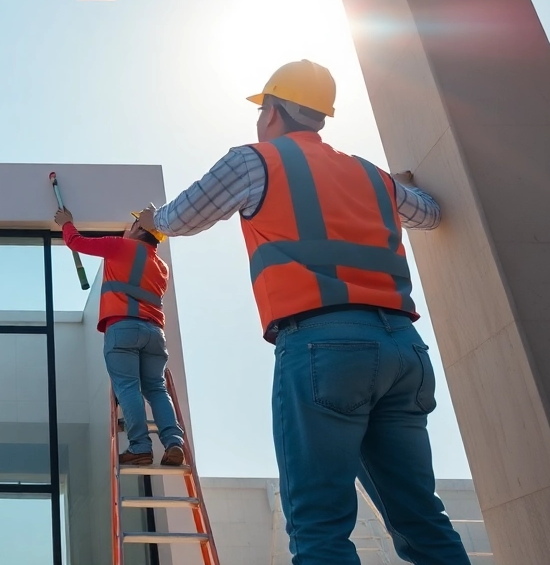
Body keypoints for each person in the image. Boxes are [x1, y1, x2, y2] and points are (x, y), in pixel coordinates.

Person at [137, 59, 469, 565]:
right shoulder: (370, 174)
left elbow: (183, 217)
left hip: (323, 345)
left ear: (272, 112)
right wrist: (395, 185)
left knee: (319, 526)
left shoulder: (255, 160)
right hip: (404, 349)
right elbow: (430, 211)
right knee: (422, 518)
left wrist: (150, 221)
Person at [54, 208, 186, 467]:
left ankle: (140, 447)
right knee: (157, 389)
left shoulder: (120, 247)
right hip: (154, 333)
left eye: (135, 222)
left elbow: (76, 242)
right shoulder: (161, 267)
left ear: (139, 229)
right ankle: (173, 443)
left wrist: (66, 223)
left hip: (123, 329)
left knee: (128, 388)